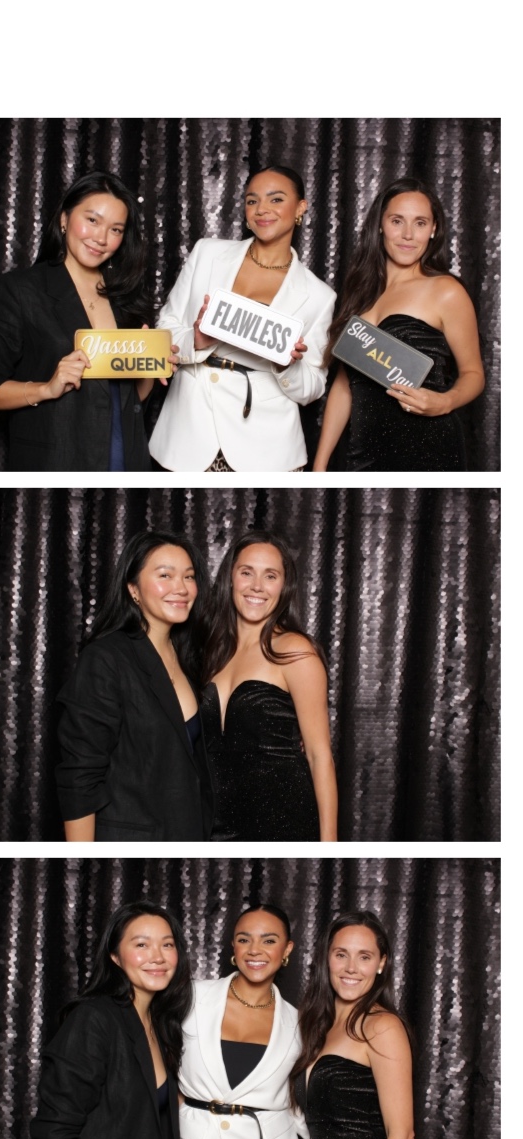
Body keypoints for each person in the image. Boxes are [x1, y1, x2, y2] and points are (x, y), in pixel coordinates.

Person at [149, 165, 335, 471]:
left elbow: (313, 387)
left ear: (301, 208)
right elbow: (165, 330)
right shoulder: (207, 253)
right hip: (187, 432)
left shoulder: (319, 295)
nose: (262, 209)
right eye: (252, 200)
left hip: (266, 444)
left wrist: (286, 364)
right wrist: (196, 339)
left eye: (276, 199)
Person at [0, 171, 155, 470]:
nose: (101, 238)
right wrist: (46, 388)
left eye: (116, 229)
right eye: (92, 220)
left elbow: (127, 400)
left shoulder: (126, 298)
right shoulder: (22, 290)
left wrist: (152, 367)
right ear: (64, 218)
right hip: (56, 464)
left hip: (126, 461)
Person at [312, 177, 485, 471]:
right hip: (364, 451)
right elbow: (345, 385)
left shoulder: (446, 291)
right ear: (380, 225)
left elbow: (474, 374)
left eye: (420, 223)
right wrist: (320, 465)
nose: (408, 234)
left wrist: (444, 402)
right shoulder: (360, 292)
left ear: (433, 230)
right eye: (397, 221)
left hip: (427, 447)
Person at [29, 901, 191, 1139]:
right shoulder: (94, 1018)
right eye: (141, 944)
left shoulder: (162, 1025)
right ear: (115, 956)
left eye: (167, 945)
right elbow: (54, 1131)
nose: (157, 956)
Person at [55, 530, 214, 841]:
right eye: (165, 575)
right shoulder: (106, 658)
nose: (181, 588)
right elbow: (79, 777)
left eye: (189, 576)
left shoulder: (191, 657)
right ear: (133, 589)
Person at [198, 530, 337, 840]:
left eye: (270, 576)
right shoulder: (207, 651)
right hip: (213, 823)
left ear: (284, 586)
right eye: (246, 572)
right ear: (230, 578)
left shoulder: (295, 651)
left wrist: (329, 848)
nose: (257, 586)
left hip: (282, 822)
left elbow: (319, 757)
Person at [178, 904, 310, 1139]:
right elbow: (154, 1057)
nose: (255, 950)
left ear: (287, 949)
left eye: (269, 940)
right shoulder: (191, 998)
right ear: (233, 946)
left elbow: (301, 1098)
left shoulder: (301, 1024)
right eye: (244, 939)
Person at [292, 911, 414, 1139]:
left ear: (381, 963)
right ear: (327, 959)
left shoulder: (381, 1026)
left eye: (364, 957)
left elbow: (402, 1134)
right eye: (341, 954)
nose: (351, 968)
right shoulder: (317, 1026)